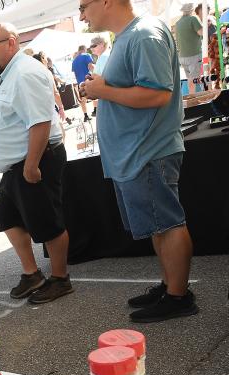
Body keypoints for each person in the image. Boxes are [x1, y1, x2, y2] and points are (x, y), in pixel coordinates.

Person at [81, 0, 197, 321]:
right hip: (139, 151)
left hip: (148, 150)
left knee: (168, 223)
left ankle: (178, 296)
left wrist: (103, 90)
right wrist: (100, 88)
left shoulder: (144, 34)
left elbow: (157, 94)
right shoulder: (133, 34)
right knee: (159, 225)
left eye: (83, 6)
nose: (81, 15)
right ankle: (171, 286)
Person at [0, 23, 73, 305]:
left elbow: (40, 121)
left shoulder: (25, 73)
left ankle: (60, 279)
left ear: (11, 42)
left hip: (35, 160)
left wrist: (32, 164)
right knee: (5, 217)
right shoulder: (6, 76)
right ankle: (32, 274)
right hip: (17, 166)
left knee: (48, 223)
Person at [175, 3, 204, 93]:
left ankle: (196, 96)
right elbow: (202, 32)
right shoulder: (193, 19)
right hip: (194, 54)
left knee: (191, 79)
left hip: (182, 56)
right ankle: (194, 100)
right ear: (191, 10)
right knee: (193, 80)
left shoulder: (177, 23)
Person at [71, 44, 95, 120]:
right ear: (84, 49)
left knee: (83, 100)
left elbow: (75, 74)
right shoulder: (86, 55)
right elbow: (91, 66)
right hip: (88, 80)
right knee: (97, 95)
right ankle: (95, 110)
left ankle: (85, 115)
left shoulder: (74, 61)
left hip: (80, 83)